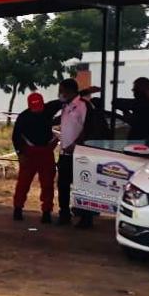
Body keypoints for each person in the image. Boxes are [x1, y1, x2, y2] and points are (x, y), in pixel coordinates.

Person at [11, 92, 58, 223]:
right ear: (29, 106)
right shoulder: (23, 117)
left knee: (48, 184)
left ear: (43, 104)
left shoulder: (50, 108)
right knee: (23, 183)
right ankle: (18, 209)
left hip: (46, 152)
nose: (37, 111)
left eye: (39, 108)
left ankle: (47, 212)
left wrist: (85, 92)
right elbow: (15, 137)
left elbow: (66, 99)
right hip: (28, 153)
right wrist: (20, 154)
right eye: (34, 108)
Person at [55, 78, 93, 228]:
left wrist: (76, 144)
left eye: (61, 90)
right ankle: (64, 214)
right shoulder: (66, 106)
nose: (60, 93)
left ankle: (86, 218)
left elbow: (87, 128)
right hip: (65, 153)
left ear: (69, 91)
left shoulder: (83, 105)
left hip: (79, 154)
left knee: (82, 186)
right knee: (63, 185)